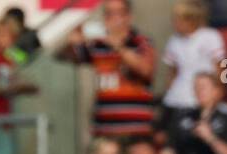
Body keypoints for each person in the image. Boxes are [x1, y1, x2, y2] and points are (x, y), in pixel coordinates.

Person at [57, 0, 157, 139]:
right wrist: (71, 41)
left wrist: (116, 45)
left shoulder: (141, 42)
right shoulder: (98, 45)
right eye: (108, 14)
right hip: (105, 130)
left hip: (136, 130)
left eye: (117, 13)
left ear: (128, 16)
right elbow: (63, 57)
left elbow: (146, 70)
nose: (112, 18)